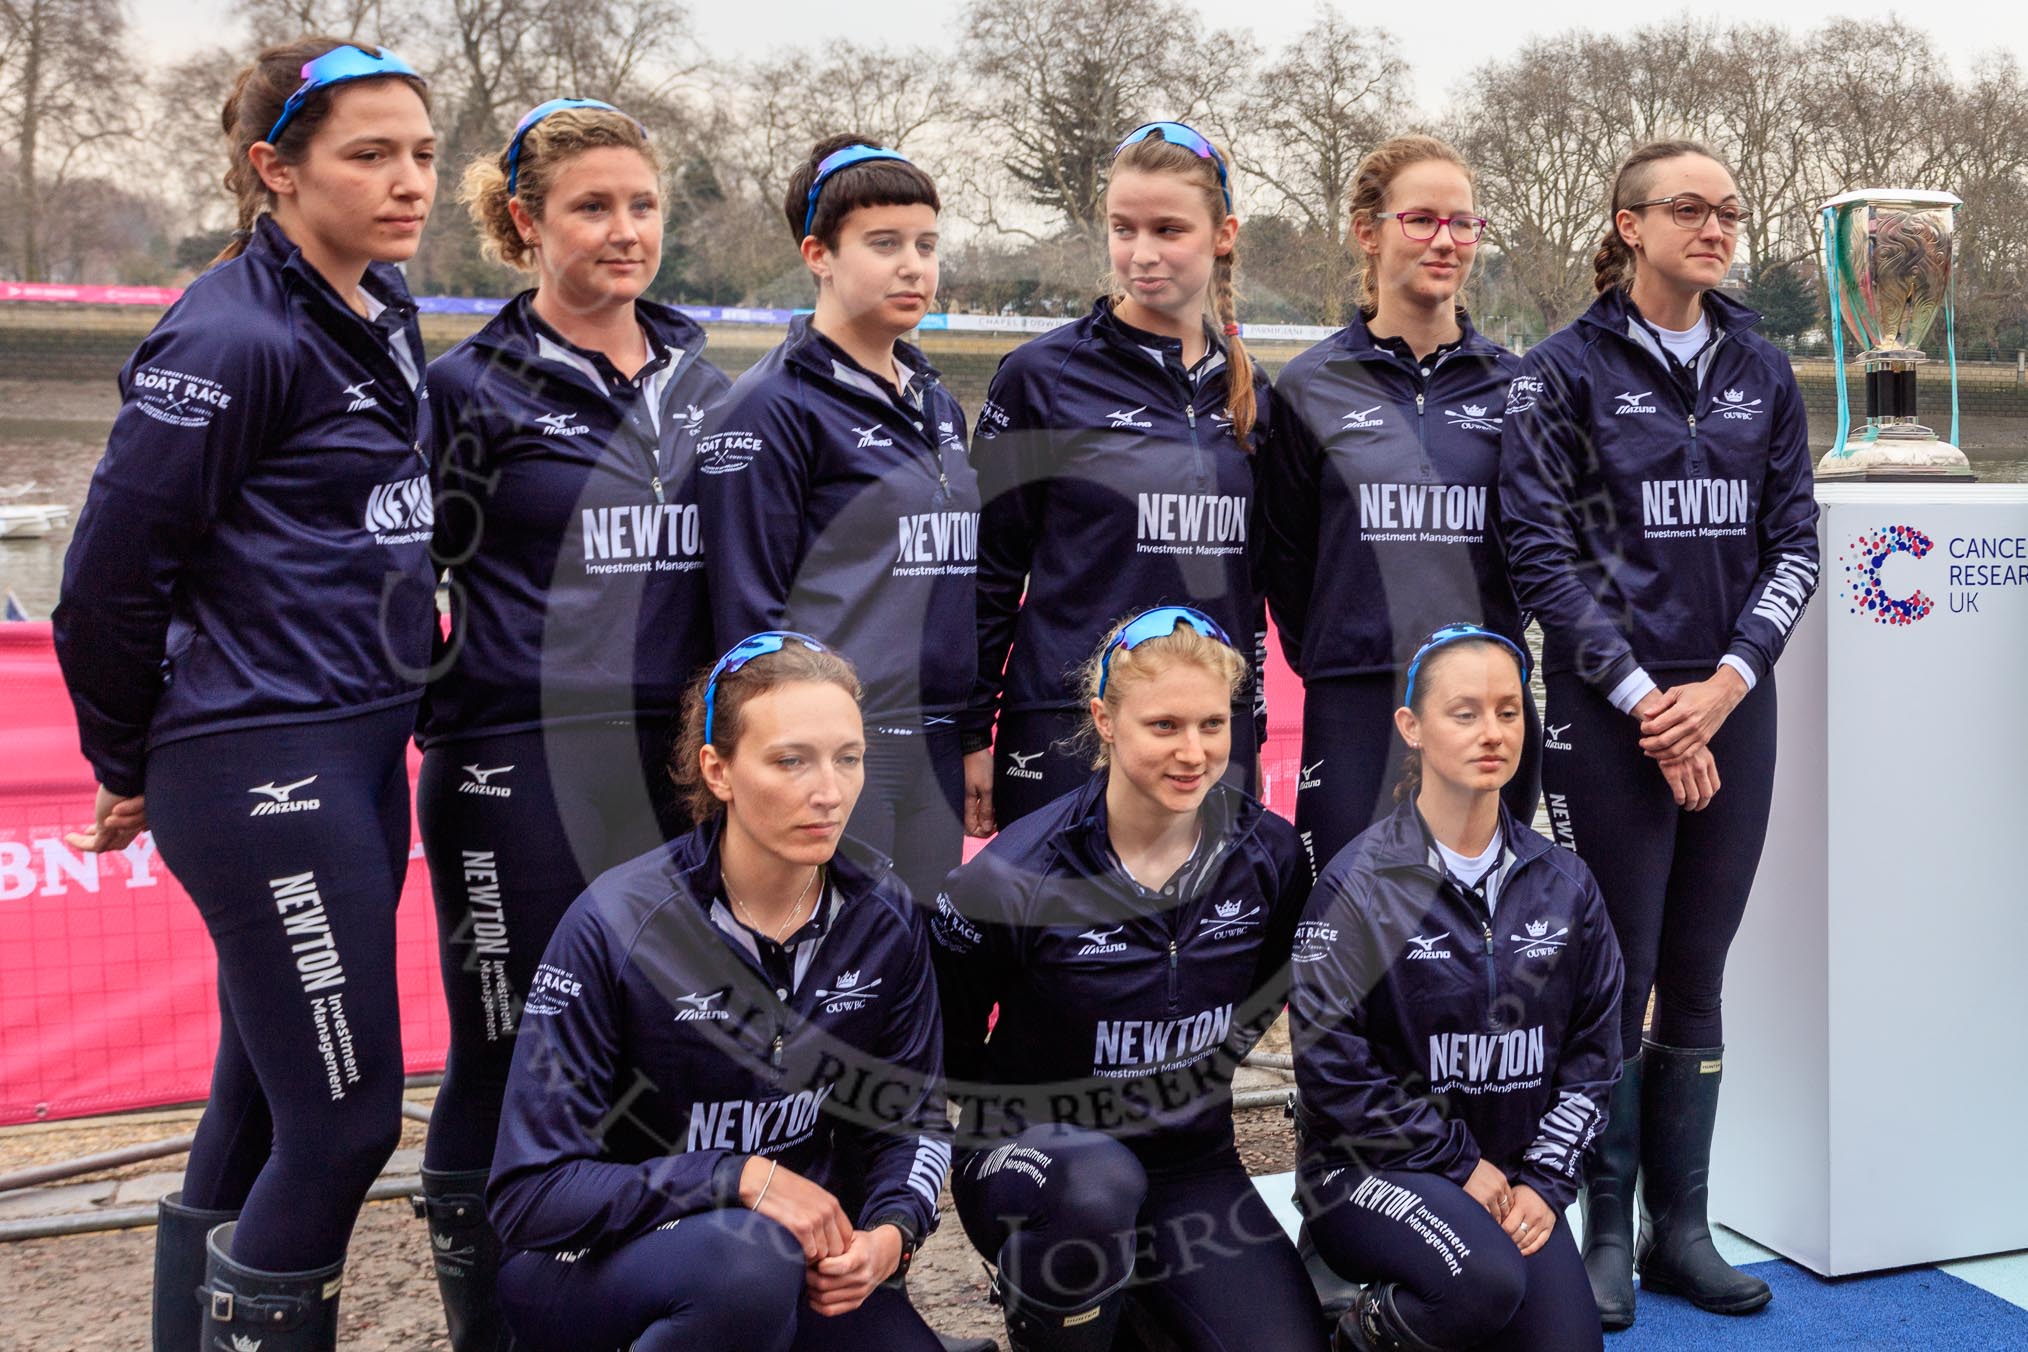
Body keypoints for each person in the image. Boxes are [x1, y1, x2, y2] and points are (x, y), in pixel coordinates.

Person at [51, 38, 437, 1352]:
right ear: (275, 168)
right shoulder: (231, 331)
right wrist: (127, 760)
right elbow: (104, 579)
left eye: (423, 154)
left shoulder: (383, 311)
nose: (409, 183)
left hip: (357, 748)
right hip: (262, 758)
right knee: (343, 1122)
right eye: (369, 156)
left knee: (265, 1106)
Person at [409, 97, 731, 1350]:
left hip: (672, 764)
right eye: (592, 206)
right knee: (503, 1054)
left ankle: (633, 1299)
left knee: (661, 1040)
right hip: (513, 768)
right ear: (524, 221)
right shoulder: (463, 391)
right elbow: (389, 580)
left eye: (642, 205)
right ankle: (488, 1324)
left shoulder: (710, 385)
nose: (623, 230)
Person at [1499, 139, 1819, 1326]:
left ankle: (1682, 1225)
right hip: (1606, 710)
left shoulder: (1763, 365)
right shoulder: (1558, 373)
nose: (1717, 228)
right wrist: (1644, 699)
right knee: (1612, 971)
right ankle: (1603, 1229)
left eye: (1730, 211)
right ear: (1629, 225)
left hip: (1734, 702)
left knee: (1696, 969)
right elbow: (1541, 558)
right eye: (1690, 208)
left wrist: (1726, 685)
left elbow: (1796, 544)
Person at [486, 633, 952, 1351]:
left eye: (848, 759)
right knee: (744, 1267)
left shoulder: (884, 915)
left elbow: (913, 1120)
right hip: (599, 1266)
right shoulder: (617, 922)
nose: (829, 791)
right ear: (719, 770)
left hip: (787, 1264)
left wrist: (892, 1236)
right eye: (790, 761)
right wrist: (734, 1176)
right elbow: (530, 1197)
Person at [931, 607, 1328, 1352]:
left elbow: (1265, 993)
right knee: (1096, 1188)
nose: (1193, 752)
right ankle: (1047, 1292)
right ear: (1104, 721)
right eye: (1164, 726)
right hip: (1037, 1163)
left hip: (1189, 1163)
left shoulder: (1267, 854)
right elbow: (947, 1041)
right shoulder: (1017, 873)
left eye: (1212, 725)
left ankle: (1139, 1303)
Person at [1291, 626, 1624, 1352]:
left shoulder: (1566, 884)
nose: (1492, 732)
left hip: (1506, 1187)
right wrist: (1454, 1160)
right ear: (1411, 727)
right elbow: (1329, 1070)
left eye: (1509, 711)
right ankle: (1356, 1338)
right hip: (1366, 1177)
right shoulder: (1358, 884)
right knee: (1482, 1281)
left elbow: (1593, 1061)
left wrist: (1544, 1184)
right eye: (1464, 712)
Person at [964, 122, 1272, 837]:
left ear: (1222, 234)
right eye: (1122, 228)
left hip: (1206, 737)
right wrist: (971, 732)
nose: (1142, 253)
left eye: (1169, 229)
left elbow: (1257, 588)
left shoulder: (1258, 399)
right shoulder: (1039, 378)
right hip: (1064, 729)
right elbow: (987, 571)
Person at [697, 135, 979, 912]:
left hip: (934, 744)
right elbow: (748, 621)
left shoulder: (936, 401)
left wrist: (968, 735)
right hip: (837, 755)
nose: (912, 265)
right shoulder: (768, 406)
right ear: (818, 253)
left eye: (925, 244)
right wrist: (790, 760)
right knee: (838, 989)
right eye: (883, 244)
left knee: (919, 978)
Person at [1260, 135, 1535, 881]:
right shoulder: (1309, 385)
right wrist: (1345, 647)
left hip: (1483, 703)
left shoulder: (1518, 387)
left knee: (1476, 941)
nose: (1445, 241)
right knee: (1351, 946)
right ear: (1368, 231)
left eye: (1463, 223)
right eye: (1420, 220)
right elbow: (1284, 557)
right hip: (1356, 704)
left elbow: (1542, 550)